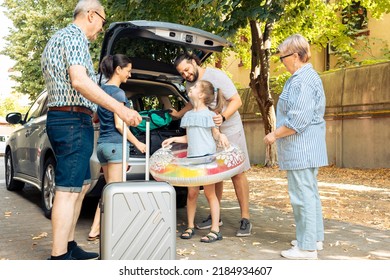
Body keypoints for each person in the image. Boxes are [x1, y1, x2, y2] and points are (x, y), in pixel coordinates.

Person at [41, 0, 141, 260]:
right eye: (103, 21)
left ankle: (69, 245)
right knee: (67, 189)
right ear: (91, 15)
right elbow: (79, 80)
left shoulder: (59, 38)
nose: (100, 29)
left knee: (82, 186)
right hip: (71, 121)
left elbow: (75, 86)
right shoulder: (74, 37)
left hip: (74, 119)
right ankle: (59, 255)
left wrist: (94, 111)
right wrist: (119, 109)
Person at [172, 53, 252, 237]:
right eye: (181, 73)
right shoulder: (189, 84)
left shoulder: (216, 76)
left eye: (186, 69)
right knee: (213, 174)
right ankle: (216, 216)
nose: (185, 74)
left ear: (194, 62)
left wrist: (222, 117)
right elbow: (192, 105)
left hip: (229, 128)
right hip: (209, 132)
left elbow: (236, 101)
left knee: (237, 172)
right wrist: (177, 114)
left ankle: (245, 219)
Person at [263, 34, 328, 260]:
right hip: (306, 148)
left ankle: (306, 247)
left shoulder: (302, 80)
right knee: (310, 193)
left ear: (297, 56)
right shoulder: (304, 77)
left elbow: (298, 120)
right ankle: (313, 238)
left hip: (302, 148)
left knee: (302, 196)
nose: (282, 61)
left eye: (283, 57)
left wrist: (273, 134)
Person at [87, 54, 146, 241]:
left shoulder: (102, 91)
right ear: (118, 70)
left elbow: (95, 118)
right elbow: (120, 125)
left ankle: (101, 227)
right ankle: (99, 229)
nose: (129, 74)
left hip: (103, 146)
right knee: (114, 192)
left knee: (110, 190)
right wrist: (138, 143)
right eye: (128, 71)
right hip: (115, 146)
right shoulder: (119, 93)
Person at [162, 80, 229, 243]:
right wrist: (174, 139)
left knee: (209, 193)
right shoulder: (188, 115)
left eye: (194, 87)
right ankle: (190, 226)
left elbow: (215, 134)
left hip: (206, 159)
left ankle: (215, 229)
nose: (190, 88)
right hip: (192, 159)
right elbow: (190, 137)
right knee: (191, 193)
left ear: (200, 95)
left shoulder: (211, 115)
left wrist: (221, 135)